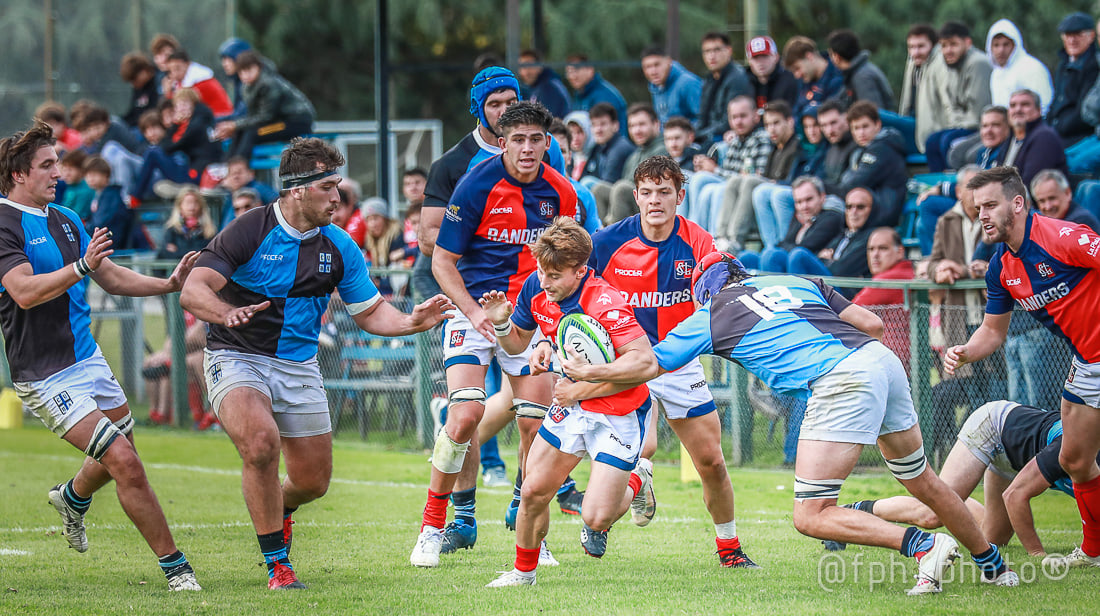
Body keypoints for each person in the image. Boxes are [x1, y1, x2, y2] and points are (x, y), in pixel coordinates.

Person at [645, 253, 1019, 592]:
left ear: (703, 291)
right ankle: (995, 567)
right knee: (924, 481)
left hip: (841, 378)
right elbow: (872, 324)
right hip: (880, 360)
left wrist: (591, 374)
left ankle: (925, 546)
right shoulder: (795, 281)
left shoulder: (711, 312)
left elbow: (649, 364)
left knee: (811, 515)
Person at [180, 137, 454, 589]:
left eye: (339, 186)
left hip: (299, 364)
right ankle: (277, 564)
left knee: (312, 482)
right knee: (261, 444)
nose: (338, 197)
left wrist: (411, 321)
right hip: (237, 355)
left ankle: (279, 508)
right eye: (328, 186)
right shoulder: (249, 229)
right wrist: (224, 313)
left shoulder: (341, 246)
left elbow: (369, 312)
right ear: (296, 190)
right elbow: (194, 288)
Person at [0, 120, 201, 591]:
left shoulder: (66, 218)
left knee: (123, 449)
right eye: (47, 166)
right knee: (125, 462)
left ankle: (71, 497)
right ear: (17, 175)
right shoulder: (3, 223)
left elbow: (108, 274)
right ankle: (177, 568)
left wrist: (167, 285)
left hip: (88, 360)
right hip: (44, 373)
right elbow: (24, 292)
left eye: (57, 163)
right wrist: (80, 267)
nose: (58, 174)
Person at [410, 102, 578, 568]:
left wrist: (557, 319)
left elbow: (568, 264)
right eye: (517, 139)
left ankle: (533, 538)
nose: (527, 148)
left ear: (548, 143)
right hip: (474, 310)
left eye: (535, 139)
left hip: (530, 315)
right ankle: (432, 524)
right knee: (464, 416)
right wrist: (473, 314)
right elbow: (441, 260)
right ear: (502, 142)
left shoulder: (562, 192)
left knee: (536, 426)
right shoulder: (477, 183)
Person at [589, 155, 759, 568]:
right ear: (635, 197)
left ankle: (730, 550)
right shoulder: (609, 241)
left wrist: (721, 283)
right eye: (646, 192)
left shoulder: (697, 240)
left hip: (678, 361)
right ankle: (635, 476)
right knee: (604, 509)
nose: (655, 200)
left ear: (680, 196)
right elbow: (576, 286)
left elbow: (717, 280)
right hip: (627, 359)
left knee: (712, 462)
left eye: (664, 192)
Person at [481, 217, 659, 587]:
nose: (544, 283)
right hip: (571, 409)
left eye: (555, 275)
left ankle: (636, 481)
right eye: (541, 272)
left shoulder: (606, 301)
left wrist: (580, 381)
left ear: (581, 271)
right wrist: (501, 325)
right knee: (532, 491)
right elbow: (516, 343)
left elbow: (644, 364)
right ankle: (523, 573)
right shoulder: (537, 285)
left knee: (595, 519)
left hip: (618, 412)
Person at [946, 166, 1100, 571]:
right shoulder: (1001, 268)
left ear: (1018, 204)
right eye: (978, 208)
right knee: (1077, 459)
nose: (982, 215)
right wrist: (964, 351)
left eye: (991, 205)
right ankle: (1092, 552)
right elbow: (993, 332)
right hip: (1088, 362)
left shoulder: (1062, 236)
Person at [858, 400, 1098, 557]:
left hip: (1017, 457)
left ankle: (954, 499)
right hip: (993, 429)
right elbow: (1015, 496)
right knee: (931, 515)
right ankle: (862, 509)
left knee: (994, 538)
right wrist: (1039, 556)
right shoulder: (1072, 448)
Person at [916, 106, 1010, 254]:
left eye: (995, 125)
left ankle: (942, 259)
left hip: (989, 207)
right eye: (985, 126)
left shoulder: (1007, 151)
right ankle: (937, 262)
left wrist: (942, 189)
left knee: (929, 205)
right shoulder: (982, 153)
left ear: (1007, 127)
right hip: (974, 204)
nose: (988, 131)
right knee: (921, 223)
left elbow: (982, 186)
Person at [686, 96, 772, 235]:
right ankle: (692, 234)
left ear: (756, 116)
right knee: (698, 178)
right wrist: (707, 167)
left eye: (743, 116)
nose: (738, 121)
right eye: (734, 117)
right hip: (731, 183)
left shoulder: (761, 139)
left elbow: (750, 178)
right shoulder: (736, 140)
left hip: (745, 190)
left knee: (716, 191)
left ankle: (715, 240)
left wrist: (714, 169)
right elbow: (729, 172)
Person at [916, 21, 993, 170]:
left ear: (967, 43)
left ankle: (957, 187)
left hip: (978, 126)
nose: (948, 50)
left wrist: (956, 125)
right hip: (962, 124)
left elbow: (978, 111)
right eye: (944, 46)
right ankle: (938, 186)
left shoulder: (978, 64)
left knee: (948, 141)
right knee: (932, 142)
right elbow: (952, 106)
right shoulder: (952, 65)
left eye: (953, 44)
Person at [213, 51, 315, 159]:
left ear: (258, 67)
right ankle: (229, 166)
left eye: (249, 70)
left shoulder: (268, 84)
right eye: (241, 72)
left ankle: (241, 169)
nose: (245, 75)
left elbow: (266, 117)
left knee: (253, 133)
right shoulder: (248, 87)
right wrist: (235, 126)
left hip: (294, 123)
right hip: (278, 122)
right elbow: (252, 117)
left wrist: (235, 125)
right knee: (241, 131)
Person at [130, 88, 222, 206]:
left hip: (197, 175)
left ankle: (135, 197)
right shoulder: (195, 121)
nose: (181, 109)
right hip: (193, 170)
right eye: (178, 105)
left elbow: (170, 147)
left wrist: (175, 124)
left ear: (193, 104)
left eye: (184, 104)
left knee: (153, 152)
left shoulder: (197, 123)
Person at [739, 175, 843, 273]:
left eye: (809, 199)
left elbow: (803, 248)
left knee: (773, 256)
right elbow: (784, 243)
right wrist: (784, 245)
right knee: (746, 258)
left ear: (822, 197)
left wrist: (784, 246)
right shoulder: (803, 215)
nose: (804, 206)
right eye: (799, 202)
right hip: (793, 265)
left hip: (815, 274)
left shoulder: (831, 217)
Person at [743, 100, 807, 249]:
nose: (771, 129)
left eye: (776, 123)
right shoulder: (774, 149)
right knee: (756, 189)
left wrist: (773, 183)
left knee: (765, 191)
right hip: (774, 193)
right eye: (767, 125)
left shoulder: (798, 145)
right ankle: (771, 248)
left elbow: (794, 180)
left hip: (792, 193)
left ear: (790, 121)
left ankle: (783, 247)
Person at [591, 103, 665, 225]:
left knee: (622, 188)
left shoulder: (663, 149)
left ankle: (616, 239)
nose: (637, 130)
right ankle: (600, 236)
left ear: (656, 124)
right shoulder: (634, 155)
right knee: (599, 189)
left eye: (642, 124)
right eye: (632, 126)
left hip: (652, 202)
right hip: (633, 200)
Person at [851, 228, 915, 371]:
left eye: (883, 248)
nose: (875, 255)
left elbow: (848, 312)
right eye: (871, 249)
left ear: (900, 251)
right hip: (896, 363)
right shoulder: (904, 272)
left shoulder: (891, 278)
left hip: (888, 365)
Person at [837, 102, 907, 227]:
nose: (861, 133)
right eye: (856, 128)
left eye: (865, 126)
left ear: (877, 125)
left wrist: (825, 190)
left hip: (881, 216)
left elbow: (855, 183)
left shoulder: (882, 149)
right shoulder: (859, 152)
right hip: (866, 213)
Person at [787, 187, 875, 285]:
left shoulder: (873, 237)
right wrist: (826, 260)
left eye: (860, 207)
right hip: (825, 283)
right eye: (849, 207)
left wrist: (824, 259)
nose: (853, 212)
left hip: (839, 291)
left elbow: (840, 271)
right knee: (774, 255)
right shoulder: (843, 233)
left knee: (799, 256)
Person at [1049, 12, 1100, 146]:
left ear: (1091, 36)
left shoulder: (1094, 65)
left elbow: (1086, 113)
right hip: (1057, 131)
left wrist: (1058, 128)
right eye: (1067, 35)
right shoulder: (1063, 64)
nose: (1072, 40)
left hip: (1080, 136)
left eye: (1078, 34)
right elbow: (1056, 102)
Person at [1002, 89, 1069, 188]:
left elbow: (1029, 183)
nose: (1018, 110)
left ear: (1039, 110)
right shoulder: (1011, 137)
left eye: (1025, 105)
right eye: (1013, 105)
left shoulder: (1044, 137)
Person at [985, 19, 1053, 113]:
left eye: (1006, 44)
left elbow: (1043, 106)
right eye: (996, 45)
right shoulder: (996, 74)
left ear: (1015, 45)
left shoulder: (1031, 68)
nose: (1001, 50)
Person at [697, 32, 752, 145]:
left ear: (729, 51)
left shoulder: (737, 78)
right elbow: (702, 117)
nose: (712, 56)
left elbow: (729, 121)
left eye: (717, 50)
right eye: (707, 51)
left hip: (726, 138)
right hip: (708, 135)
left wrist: (699, 135)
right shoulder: (709, 80)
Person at [827, 29, 895, 110]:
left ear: (836, 57)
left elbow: (873, 113)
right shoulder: (857, 72)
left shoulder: (862, 77)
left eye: (831, 54)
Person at [565, 54, 629, 136]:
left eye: (576, 70)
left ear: (590, 70)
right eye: (568, 72)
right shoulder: (579, 94)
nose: (572, 76)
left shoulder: (604, 95)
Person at [782, 36, 844, 119]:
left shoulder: (838, 75)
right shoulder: (804, 82)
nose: (797, 75)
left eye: (797, 68)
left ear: (809, 56)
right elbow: (796, 113)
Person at [640, 45, 703, 126]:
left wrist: (682, 132)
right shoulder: (655, 86)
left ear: (668, 62)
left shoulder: (688, 83)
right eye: (648, 67)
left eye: (657, 65)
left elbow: (704, 120)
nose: (653, 71)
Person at [164, 50, 233, 117]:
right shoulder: (183, 82)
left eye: (177, 68)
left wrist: (168, 93)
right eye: (171, 70)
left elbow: (181, 110)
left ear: (188, 64)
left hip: (220, 119)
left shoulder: (201, 83)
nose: (175, 74)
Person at [580, 102, 635, 186]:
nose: (598, 130)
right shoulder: (597, 147)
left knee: (587, 183)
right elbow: (584, 175)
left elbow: (607, 184)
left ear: (615, 126)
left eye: (603, 124)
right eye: (594, 125)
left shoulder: (620, 148)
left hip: (616, 195)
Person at [158, 186, 217, 259]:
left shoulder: (209, 231)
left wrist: (177, 251)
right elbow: (163, 254)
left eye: (195, 203)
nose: (191, 207)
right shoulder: (172, 230)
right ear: (180, 206)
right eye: (187, 203)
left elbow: (208, 255)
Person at [1031, 169, 1100, 231]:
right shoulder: (1042, 220)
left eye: (1052, 198)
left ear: (1067, 193)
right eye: (1042, 201)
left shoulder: (1081, 223)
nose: (1048, 206)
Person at [745, 35, 799, 112]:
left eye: (764, 56)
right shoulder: (744, 82)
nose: (760, 62)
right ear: (749, 61)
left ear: (776, 57)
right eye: (755, 58)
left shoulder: (789, 81)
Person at [899, 24, 940, 121]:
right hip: (910, 119)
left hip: (928, 124)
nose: (915, 53)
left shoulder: (940, 67)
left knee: (878, 117)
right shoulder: (911, 65)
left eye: (921, 46)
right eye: (911, 47)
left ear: (933, 46)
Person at [517, 49, 571, 120]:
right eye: (522, 67)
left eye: (529, 66)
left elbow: (549, 121)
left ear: (539, 66)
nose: (525, 72)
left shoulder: (550, 88)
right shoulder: (535, 88)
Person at [119, 52, 161, 129]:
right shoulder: (138, 88)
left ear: (143, 71)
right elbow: (133, 112)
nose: (133, 84)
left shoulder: (159, 81)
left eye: (134, 80)